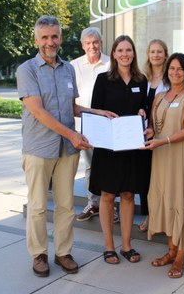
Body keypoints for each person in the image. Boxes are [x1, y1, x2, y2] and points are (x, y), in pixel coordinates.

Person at [16, 15, 117, 277]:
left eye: (54, 36)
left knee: (65, 205)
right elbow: (38, 111)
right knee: (38, 205)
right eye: (45, 37)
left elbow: (71, 107)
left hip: (67, 151)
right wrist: (72, 135)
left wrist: (96, 112)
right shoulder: (26, 70)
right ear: (37, 39)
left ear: (60, 38)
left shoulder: (68, 69)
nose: (50, 42)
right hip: (39, 148)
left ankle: (63, 252)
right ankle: (39, 254)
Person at [89, 35, 149, 264]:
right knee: (107, 195)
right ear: (113, 54)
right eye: (120, 50)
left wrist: (144, 111)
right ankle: (108, 246)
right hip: (109, 147)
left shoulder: (140, 80)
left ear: (133, 53)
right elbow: (95, 111)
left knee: (127, 195)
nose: (125, 54)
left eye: (129, 50)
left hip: (131, 146)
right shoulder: (103, 79)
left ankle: (126, 245)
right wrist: (102, 114)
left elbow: (144, 107)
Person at [142, 53, 184, 278]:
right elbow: (155, 126)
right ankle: (170, 250)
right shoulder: (159, 97)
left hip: (181, 157)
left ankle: (180, 258)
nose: (175, 72)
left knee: (181, 201)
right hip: (161, 156)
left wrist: (163, 140)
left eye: (180, 69)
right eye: (171, 68)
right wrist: (149, 132)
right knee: (166, 200)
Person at [70, 27, 119, 224]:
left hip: (107, 123)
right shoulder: (73, 66)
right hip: (84, 124)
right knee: (90, 166)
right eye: (88, 43)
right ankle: (94, 203)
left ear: (101, 43)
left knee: (110, 165)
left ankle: (111, 206)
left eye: (95, 42)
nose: (92, 46)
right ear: (82, 45)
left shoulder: (111, 63)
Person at [137, 39, 169, 232]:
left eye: (159, 52)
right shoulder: (142, 79)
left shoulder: (172, 78)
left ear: (165, 54)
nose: (156, 55)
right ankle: (149, 215)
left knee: (163, 176)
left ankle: (163, 215)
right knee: (146, 177)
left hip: (165, 133)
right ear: (148, 55)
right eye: (152, 52)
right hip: (145, 134)